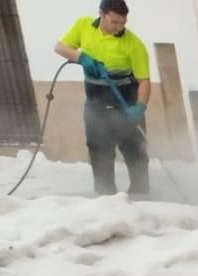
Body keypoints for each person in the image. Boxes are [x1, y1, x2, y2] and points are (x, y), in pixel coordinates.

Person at [53, 0, 150, 197]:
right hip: (95, 102)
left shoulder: (134, 45)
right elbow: (60, 47)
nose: (119, 27)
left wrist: (139, 107)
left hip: (126, 102)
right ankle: (105, 196)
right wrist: (81, 58)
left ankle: (141, 195)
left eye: (123, 23)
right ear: (102, 14)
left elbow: (144, 81)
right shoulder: (84, 25)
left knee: (134, 151)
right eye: (114, 22)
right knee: (98, 150)